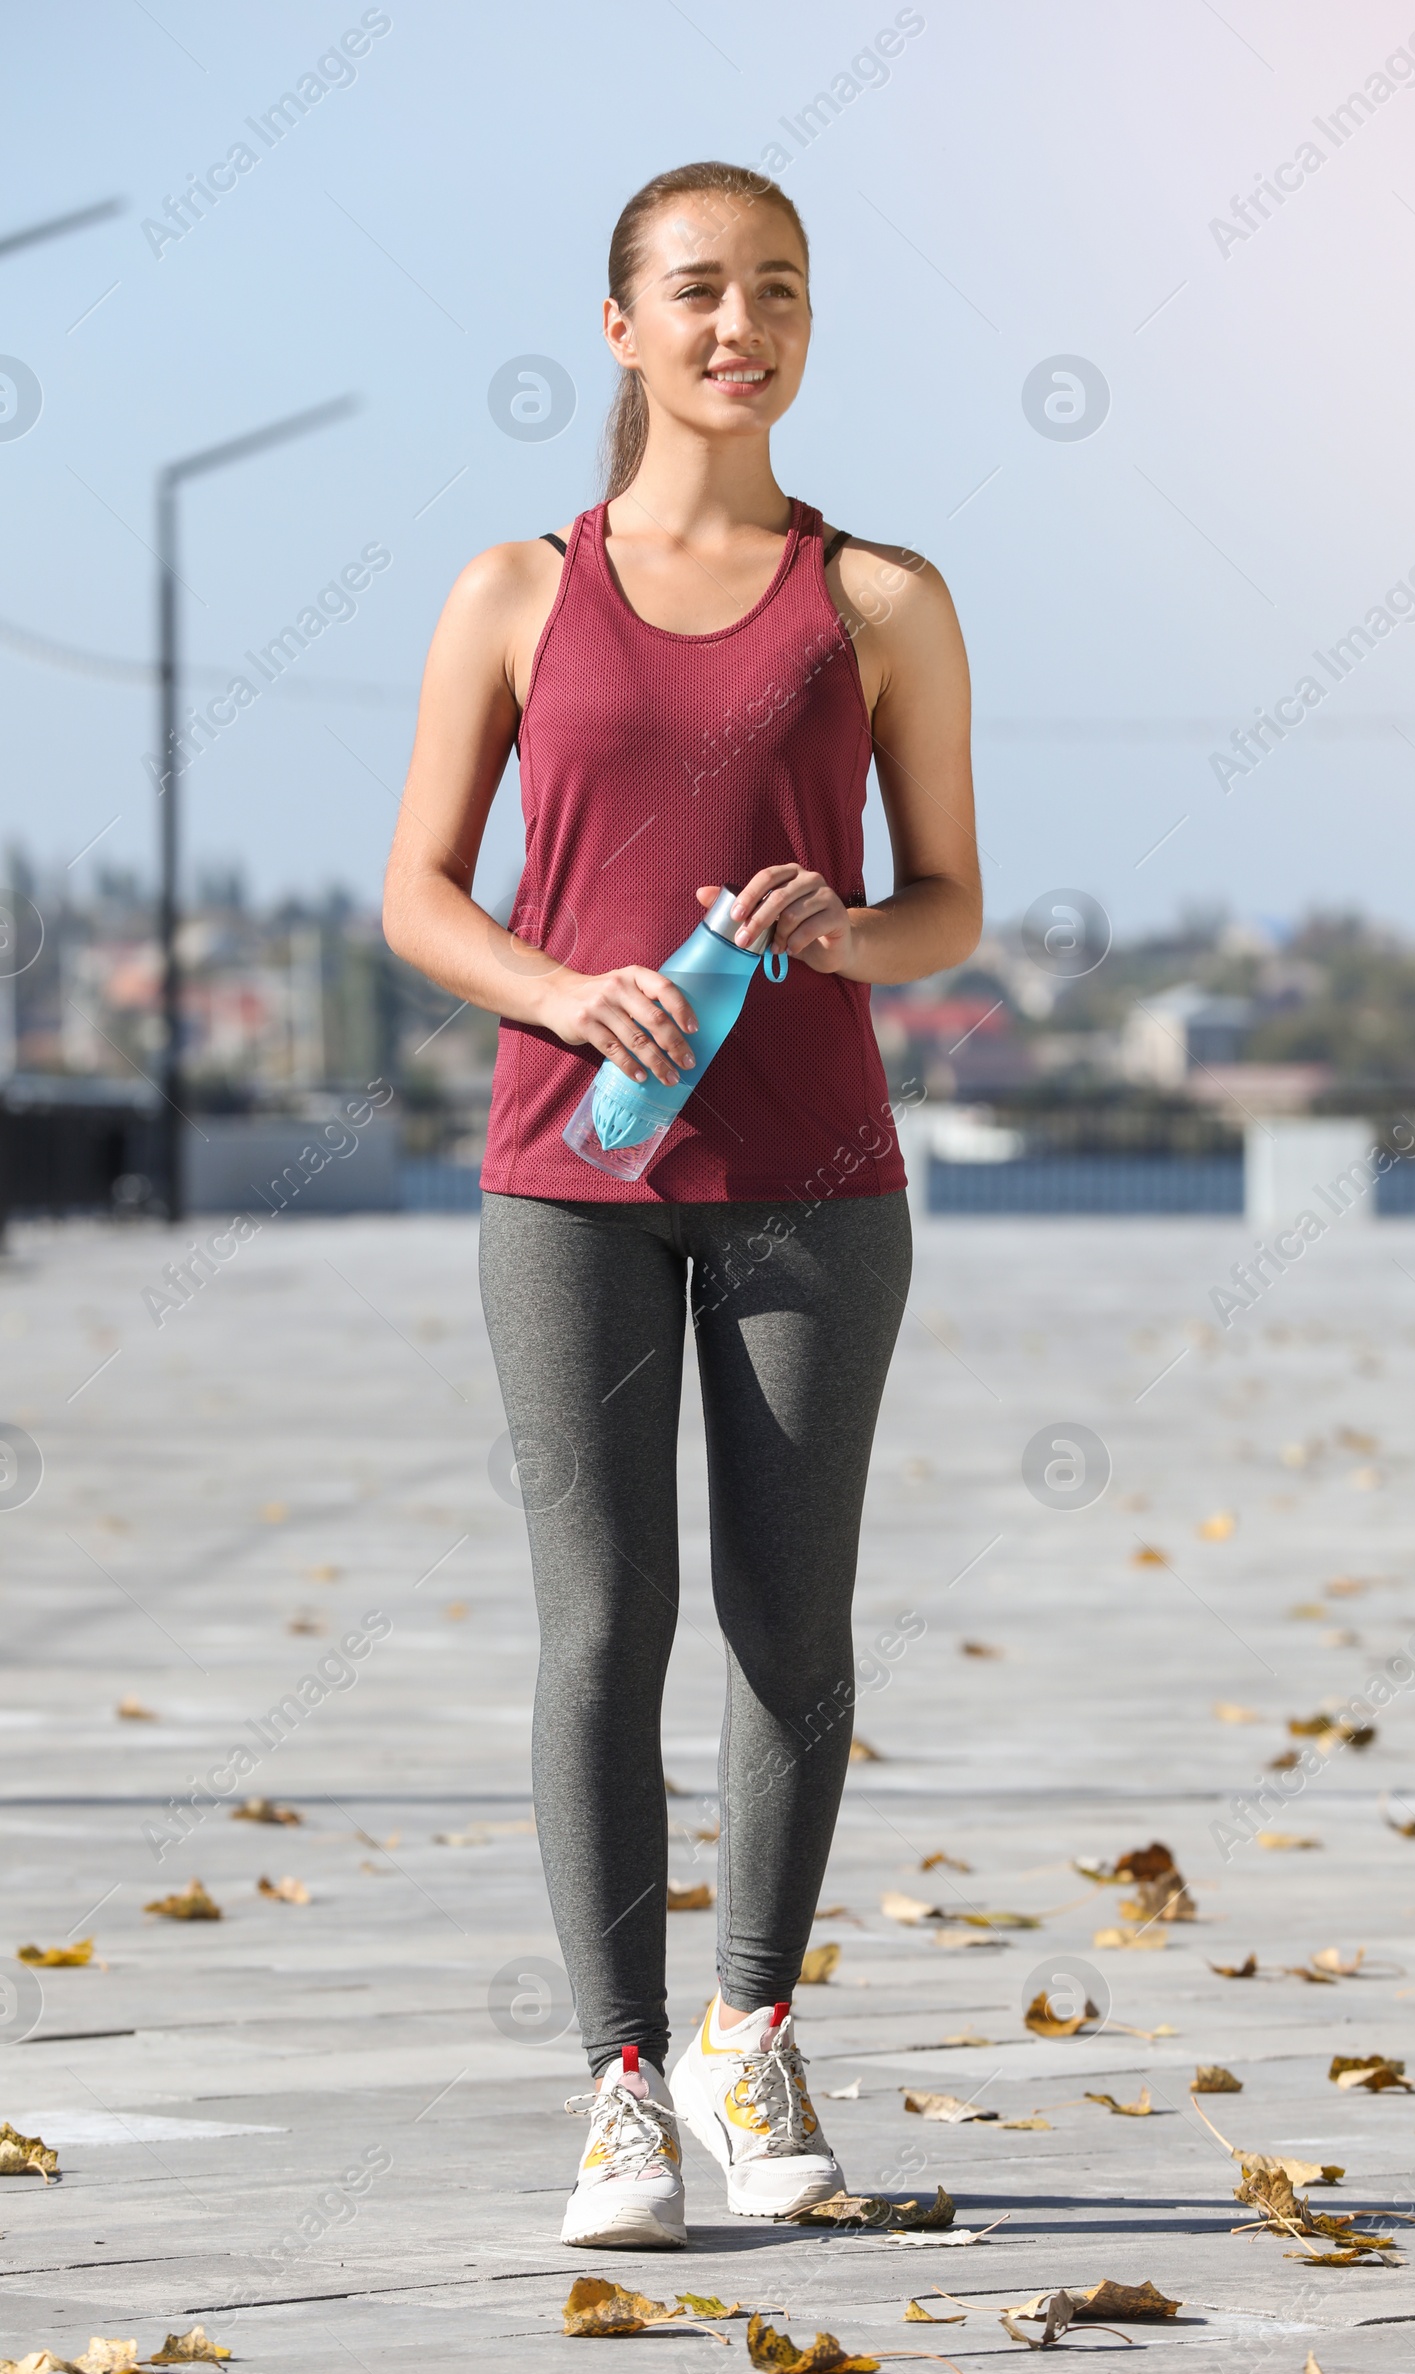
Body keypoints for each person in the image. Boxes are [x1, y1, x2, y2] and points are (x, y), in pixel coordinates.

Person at [382, 159, 980, 2249]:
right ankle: (618, 2087)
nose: (743, 323)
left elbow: (949, 910)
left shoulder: (882, 598)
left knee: (786, 1624)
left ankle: (748, 2031)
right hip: (571, 1181)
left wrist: (841, 927)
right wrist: (565, 988)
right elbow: (416, 897)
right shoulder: (514, 593)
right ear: (621, 329)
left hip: (817, 1180)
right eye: (700, 291)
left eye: (780, 291)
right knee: (601, 1625)